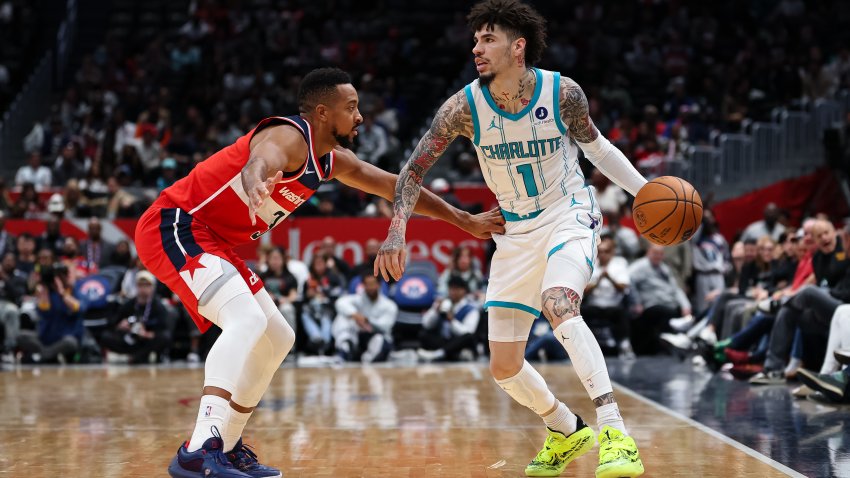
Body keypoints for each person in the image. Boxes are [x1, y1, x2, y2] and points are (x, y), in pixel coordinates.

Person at [134, 67, 504, 478]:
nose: (360, 116)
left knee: (277, 338)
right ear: (323, 113)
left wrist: (464, 220)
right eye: (351, 108)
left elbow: (398, 186)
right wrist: (255, 180)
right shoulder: (290, 138)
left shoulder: (331, 161)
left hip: (214, 240)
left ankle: (231, 443)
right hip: (176, 225)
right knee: (247, 319)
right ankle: (201, 448)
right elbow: (261, 159)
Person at [375, 2, 645, 476]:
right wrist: (396, 232)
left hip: (568, 212)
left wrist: (644, 192)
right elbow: (413, 171)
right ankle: (564, 427)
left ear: (518, 47)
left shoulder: (564, 93)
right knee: (503, 366)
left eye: (488, 38)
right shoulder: (462, 107)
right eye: (476, 39)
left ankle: (615, 432)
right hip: (514, 233)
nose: (476, 48)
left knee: (559, 302)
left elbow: (597, 147)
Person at [99, 270, 172, 364]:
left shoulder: (158, 306)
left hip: (146, 340)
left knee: (164, 337)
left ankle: (137, 356)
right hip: (130, 338)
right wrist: (121, 325)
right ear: (136, 286)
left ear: (153, 287)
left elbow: (164, 327)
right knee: (106, 336)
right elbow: (113, 322)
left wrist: (148, 334)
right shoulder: (130, 304)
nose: (143, 289)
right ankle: (137, 356)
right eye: (141, 285)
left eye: (147, 285)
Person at [332, 273, 398, 363]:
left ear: (379, 285)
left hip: (376, 339)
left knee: (380, 340)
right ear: (363, 286)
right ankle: (345, 349)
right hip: (358, 339)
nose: (370, 287)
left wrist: (367, 320)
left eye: (373, 284)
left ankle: (368, 360)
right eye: (367, 284)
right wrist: (355, 315)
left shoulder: (389, 305)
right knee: (343, 317)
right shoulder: (358, 299)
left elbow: (385, 326)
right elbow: (340, 303)